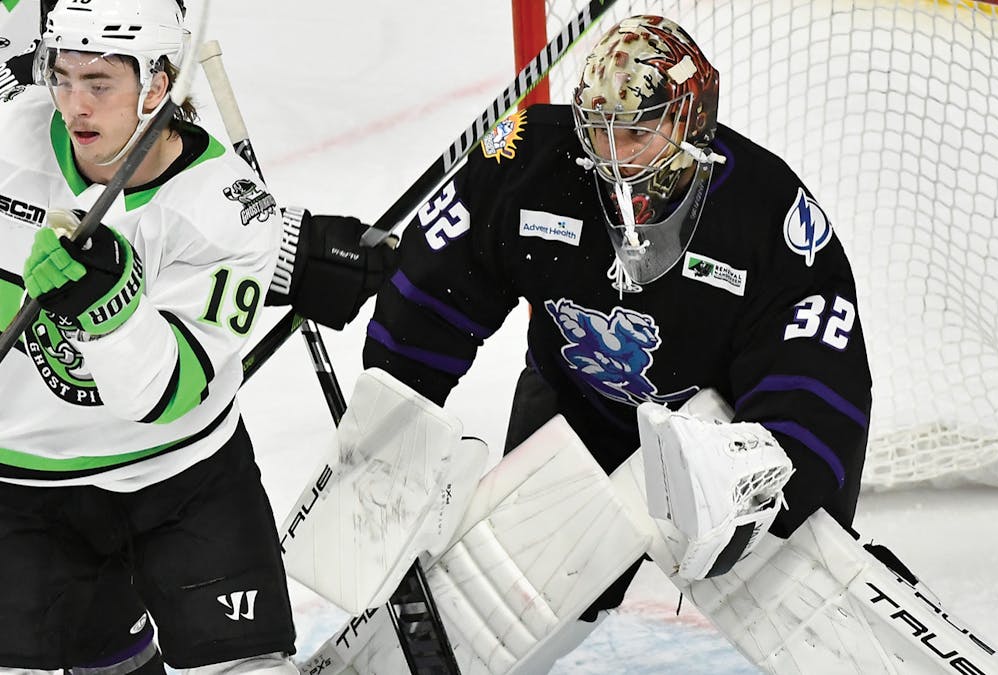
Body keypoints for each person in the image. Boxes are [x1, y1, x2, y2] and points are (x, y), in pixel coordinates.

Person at [316, 13, 872, 671]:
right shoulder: (529, 164)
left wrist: (782, 480)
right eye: (598, 128)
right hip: (579, 406)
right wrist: (401, 428)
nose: (612, 153)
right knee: (512, 617)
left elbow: (820, 369)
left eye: (636, 130)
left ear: (691, 120)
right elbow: (435, 290)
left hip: (719, 432)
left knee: (807, 601)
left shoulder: (765, 210)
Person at [0, 0, 301, 672]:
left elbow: (164, 392)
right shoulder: (4, 142)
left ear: (159, 83)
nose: (74, 105)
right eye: (62, 76)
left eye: (99, 83)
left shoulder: (231, 211)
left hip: (182, 476)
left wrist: (108, 308)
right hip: (25, 484)